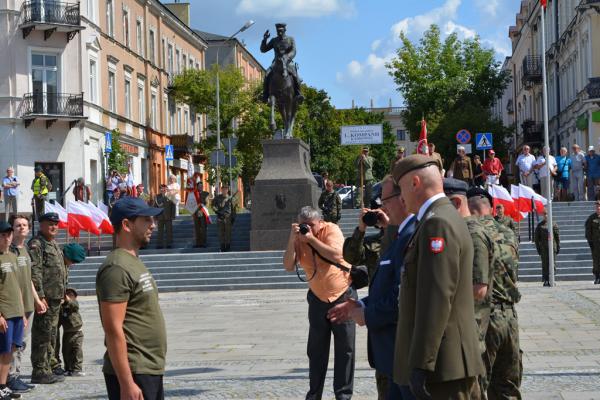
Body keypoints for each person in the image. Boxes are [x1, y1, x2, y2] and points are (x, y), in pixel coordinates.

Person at [391, 155, 484, 398]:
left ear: (415, 183)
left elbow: (437, 296)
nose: (400, 198)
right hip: (444, 363)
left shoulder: (437, 223)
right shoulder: (438, 217)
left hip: (443, 366)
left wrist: (422, 362)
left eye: (401, 188)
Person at [328, 175, 416, 400]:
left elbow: (402, 292)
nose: (383, 210)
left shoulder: (405, 236)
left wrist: (390, 227)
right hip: (383, 331)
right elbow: (350, 256)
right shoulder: (376, 241)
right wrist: (360, 228)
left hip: (396, 328)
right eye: (381, 206)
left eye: (386, 204)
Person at [96, 197, 166, 400]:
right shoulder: (116, 267)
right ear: (126, 225)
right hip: (134, 369)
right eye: (146, 220)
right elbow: (113, 329)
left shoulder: (132, 261)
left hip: (147, 367)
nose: (152, 225)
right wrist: (126, 383)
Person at [282, 206, 355, 400]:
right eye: (304, 225)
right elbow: (289, 265)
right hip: (317, 298)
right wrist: (292, 238)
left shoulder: (331, 229)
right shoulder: (299, 237)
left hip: (341, 295)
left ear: (320, 222)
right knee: (316, 351)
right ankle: (314, 395)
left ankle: (343, 395)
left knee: (345, 349)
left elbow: (337, 255)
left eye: (312, 225)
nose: (308, 229)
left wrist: (312, 239)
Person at [467, 188, 522, 399]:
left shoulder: (471, 234)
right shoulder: (508, 233)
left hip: (485, 317)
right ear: (490, 208)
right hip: (510, 316)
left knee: (478, 386)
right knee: (508, 387)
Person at [444, 179, 495, 399]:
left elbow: (478, 289)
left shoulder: (472, 233)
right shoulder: (459, 230)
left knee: (473, 390)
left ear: (455, 203)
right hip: (464, 326)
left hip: (472, 327)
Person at [28, 212, 66, 384]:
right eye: (50, 223)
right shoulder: (37, 244)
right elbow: (35, 272)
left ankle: (48, 367)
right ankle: (39, 370)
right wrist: (40, 296)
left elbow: (60, 269)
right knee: (42, 334)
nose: (54, 227)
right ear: (41, 225)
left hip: (56, 296)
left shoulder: (53, 243)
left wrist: (64, 291)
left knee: (51, 334)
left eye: (56, 224)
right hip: (46, 298)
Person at [7, 214, 42, 394]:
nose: (21, 227)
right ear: (12, 228)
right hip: (15, 306)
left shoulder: (26, 250)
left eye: (24, 225)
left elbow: (27, 280)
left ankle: (16, 375)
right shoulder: (9, 251)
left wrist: (36, 300)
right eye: (18, 225)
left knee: (22, 343)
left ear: (29, 228)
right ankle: (10, 377)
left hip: (28, 305)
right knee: (14, 344)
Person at [0, 221, 27, 400]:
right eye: (3, 235)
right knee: (2, 350)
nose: (7, 238)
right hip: (5, 312)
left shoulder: (11, 256)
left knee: (10, 350)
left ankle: (3, 386)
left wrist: (23, 312)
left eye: (9, 234)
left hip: (16, 311)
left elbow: (17, 285)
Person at [52, 243, 86, 377]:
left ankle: (64, 366)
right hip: (53, 305)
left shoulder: (65, 266)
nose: (72, 264)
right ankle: (54, 364)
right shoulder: (58, 264)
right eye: (72, 261)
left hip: (62, 309)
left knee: (67, 346)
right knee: (53, 339)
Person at [260, 23, 303, 103]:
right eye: (278, 31)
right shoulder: (274, 40)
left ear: (284, 30)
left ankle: (298, 94)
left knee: (295, 75)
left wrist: (287, 57)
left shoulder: (290, 39)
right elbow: (263, 50)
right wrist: (265, 39)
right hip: (276, 62)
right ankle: (265, 95)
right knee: (267, 74)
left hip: (288, 62)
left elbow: (294, 51)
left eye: (281, 31)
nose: (279, 32)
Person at [58, 288, 84, 377]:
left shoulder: (74, 303)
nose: (68, 296)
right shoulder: (61, 307)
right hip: (67, 333)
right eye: (67, 294)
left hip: (77, 332)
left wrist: (68, 300)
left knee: (77, 351)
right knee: (66, 351)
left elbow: (75, 306)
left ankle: (77, 369)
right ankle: (68, 368)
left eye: (71, 295)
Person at [534, 208, 560, 287]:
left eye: (547, 214)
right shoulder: (540, 225)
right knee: (545, 265)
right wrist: (538, 249)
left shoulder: (554, 224)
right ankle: (545, 280)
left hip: (552, 247)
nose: (545, 215)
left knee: (553, 264)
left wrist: (558, 247)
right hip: (544, 249)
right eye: (544, 214)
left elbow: (557, 237)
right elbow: (536, 239)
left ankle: (552, 279)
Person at [152, 184, 175, 249]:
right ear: (160, 189)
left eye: (164, 188)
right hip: (160, 217)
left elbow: (173, 207)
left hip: (168, 216)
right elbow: (155, 207)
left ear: (166, 189)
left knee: (169, 231)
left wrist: (173, 215)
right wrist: (155, 216)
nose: (163, 190)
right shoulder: (157, 197)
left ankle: (169, 244)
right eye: (161, 188)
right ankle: (159, 244)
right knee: (160, 231)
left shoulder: (170, 196)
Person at [212, 186, 233, 252]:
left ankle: (228, 246)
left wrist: (233, 217)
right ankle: (222, 246)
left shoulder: (230, 198)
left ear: (227, 190)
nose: (224, 190)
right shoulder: (217, 197)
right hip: (220, 217)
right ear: (221, 190)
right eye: (223, 189)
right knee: (221, 232)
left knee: (228, 232)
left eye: (225, 189)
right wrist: (217, 211)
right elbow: (212, 205)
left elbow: (234, 209)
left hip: (227, 217)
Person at [585, 201, 600, 284]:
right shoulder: (591, 218)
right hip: (595, 244)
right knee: (596, 261)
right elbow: (588, 231)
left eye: (599, 207)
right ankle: (597, 277)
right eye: (597, 207)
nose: (598, 208)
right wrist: (590, 243)